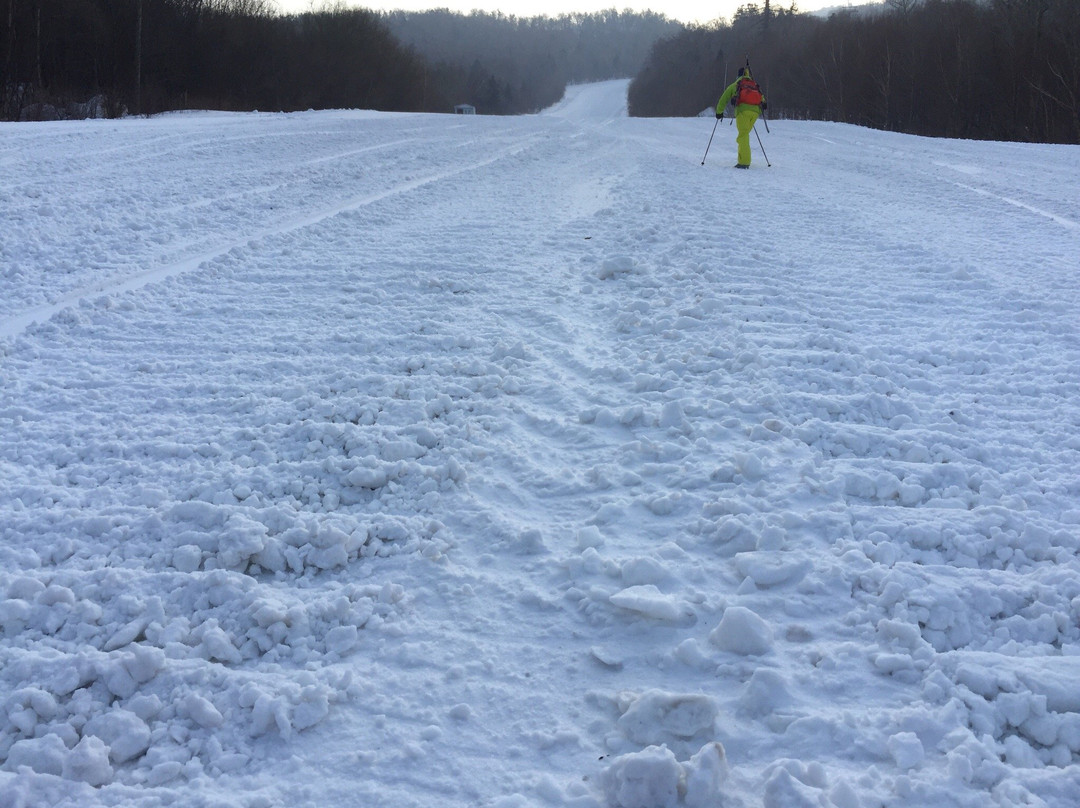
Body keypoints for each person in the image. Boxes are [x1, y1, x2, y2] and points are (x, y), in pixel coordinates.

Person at [715, 67, 767, 169]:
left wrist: (719, 112)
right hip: (756, 112)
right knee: (745, 134)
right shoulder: (754, 84)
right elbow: (762, 98)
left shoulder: (736, 85)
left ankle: (744, 162)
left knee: (743, 135)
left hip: (743, 111)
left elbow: (724, 98)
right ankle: (742, 158)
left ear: (738, 75)